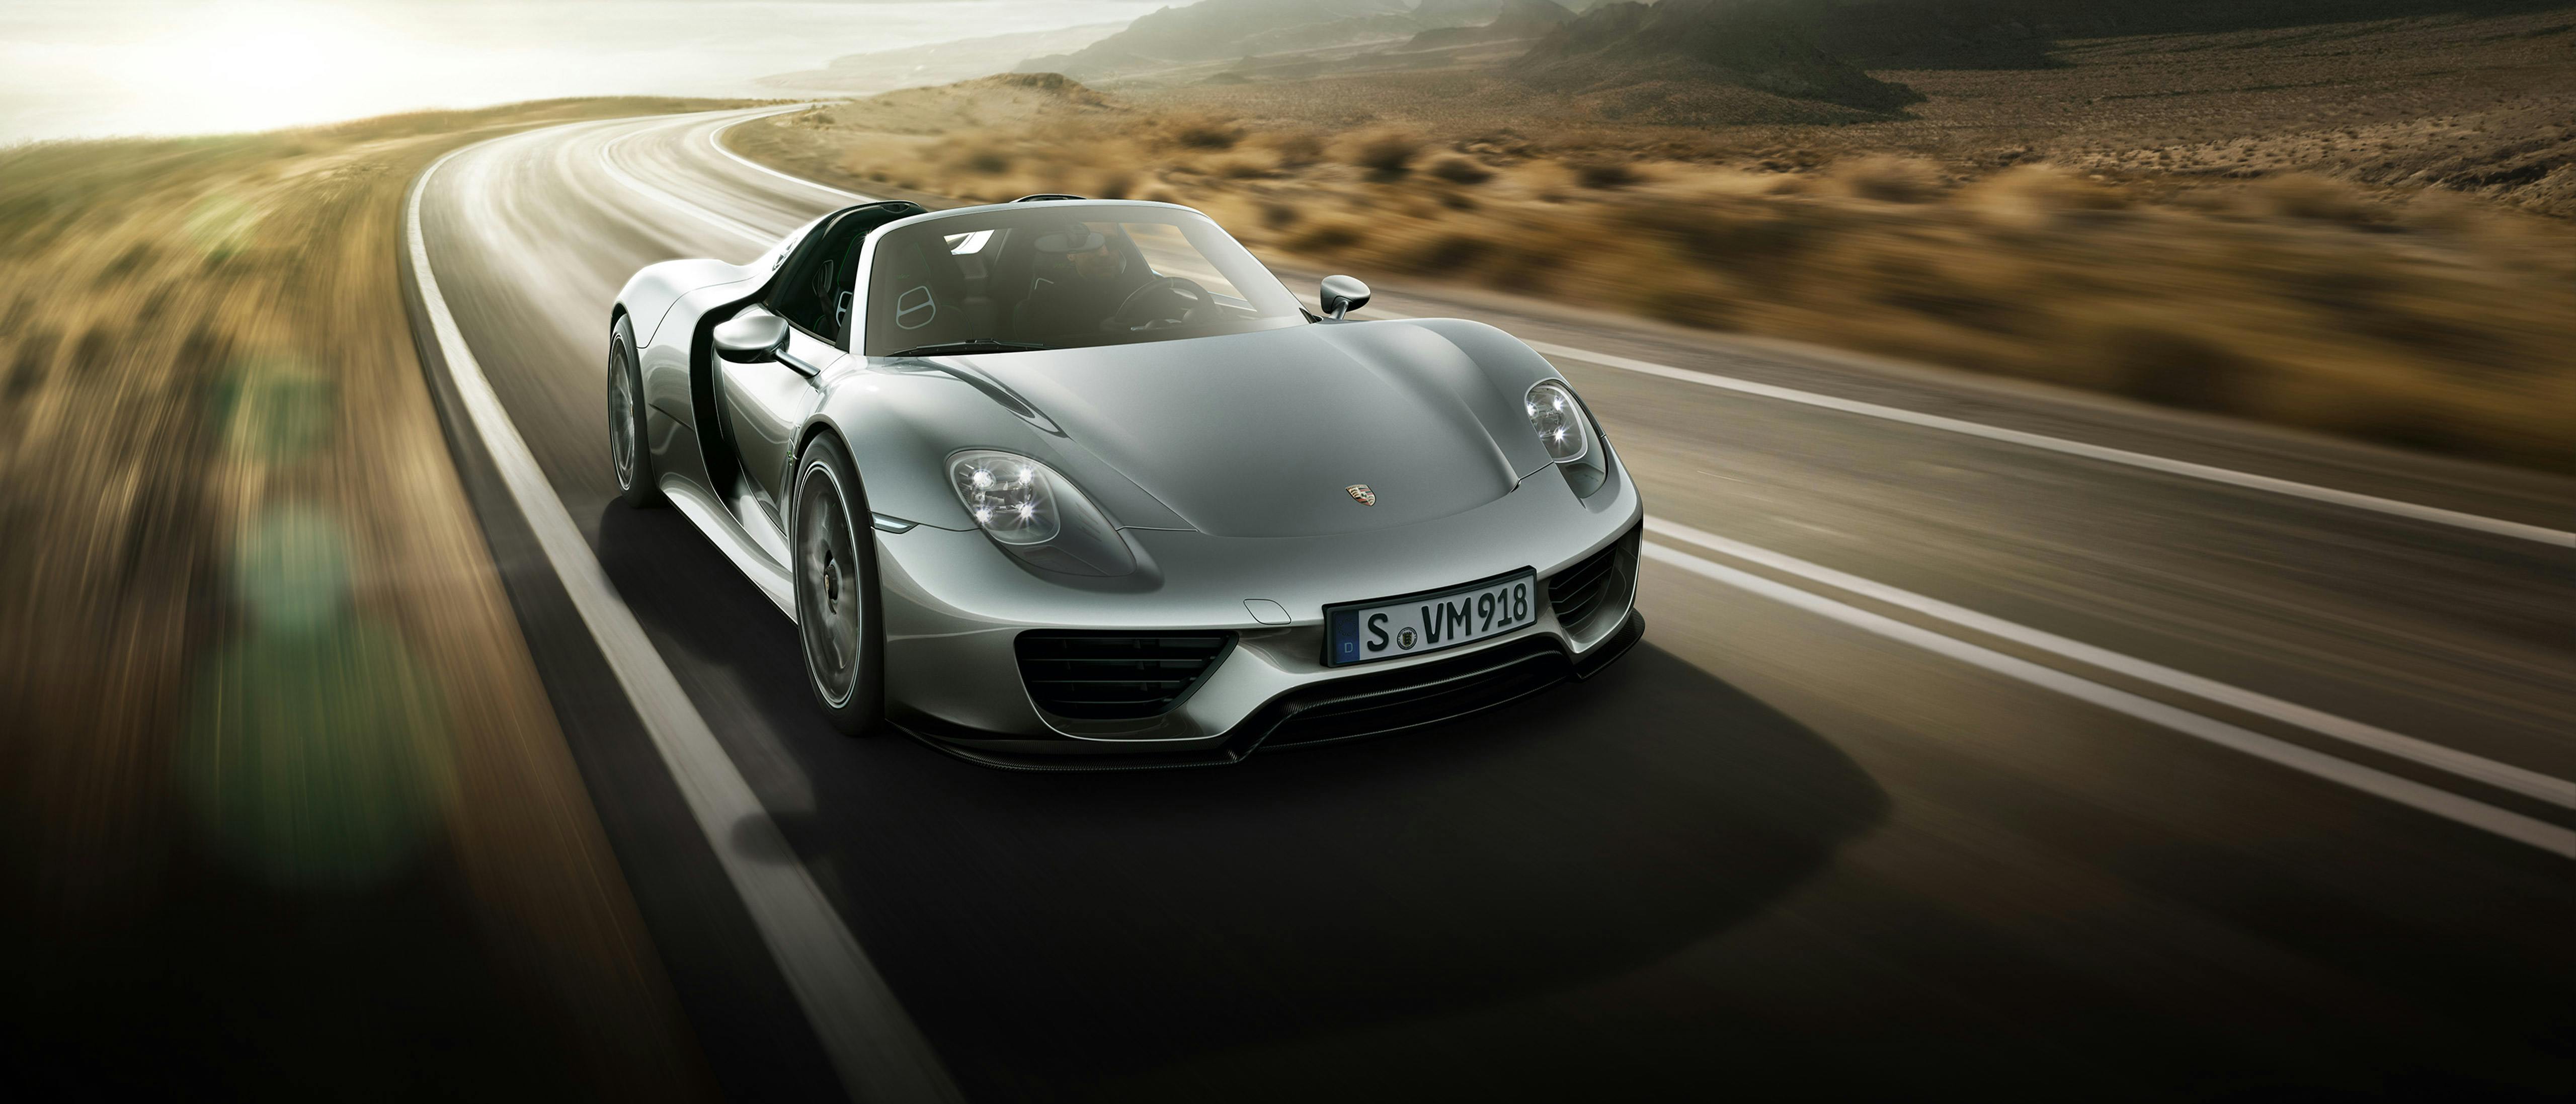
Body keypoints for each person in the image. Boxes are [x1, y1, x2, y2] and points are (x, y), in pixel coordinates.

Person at [1014, 223, 1145, 336]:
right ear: (1071, 254)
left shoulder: (1142, 291)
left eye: (1112, 243)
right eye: (1092, 244)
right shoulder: (1046, 301)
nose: (1104, 254)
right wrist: (1096, 330)